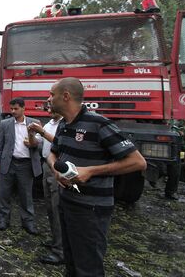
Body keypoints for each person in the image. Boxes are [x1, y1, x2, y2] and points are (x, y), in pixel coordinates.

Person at [45, 77, 146, 276]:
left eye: (51, 94)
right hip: (67, 204)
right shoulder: (63, 125)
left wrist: (91, 171)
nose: (49, 99)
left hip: (91, 210)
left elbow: (137, 162)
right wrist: (55, 170)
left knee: (88, 267)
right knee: (72, 263)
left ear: (65, 96)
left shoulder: (99, 124)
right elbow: (52, 153)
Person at [0, 97, 42, 235]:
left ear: (23, 108)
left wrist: (33, 143)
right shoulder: (5, 124)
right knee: (4, 194)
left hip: (26, 165)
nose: (13, 111)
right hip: (8, 163)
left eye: (16, 109)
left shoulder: (34, 123)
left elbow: (42, 143)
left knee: (26, 195)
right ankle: (3, 220)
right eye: (12, 109)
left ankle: (28, 223)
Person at [29, 108, 64, 265]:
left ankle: (61, 251)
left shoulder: (65, 125)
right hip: (46, 165)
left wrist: (41, 132)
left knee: (58, 208)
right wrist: (32, 134)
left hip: (57, 168)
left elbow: (60, 144)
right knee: (50, 206)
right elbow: (36, 144)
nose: (49, 107)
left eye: (51, 103)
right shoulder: (50, 124)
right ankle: (56, 240)